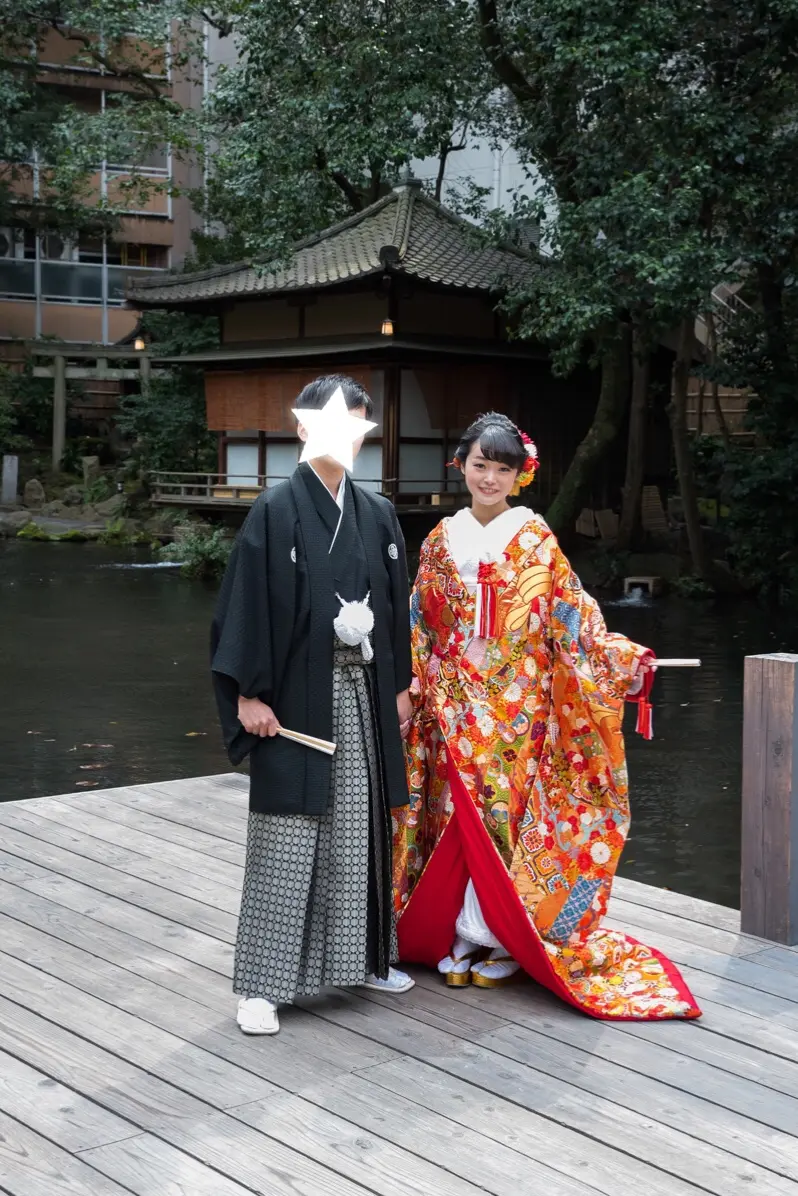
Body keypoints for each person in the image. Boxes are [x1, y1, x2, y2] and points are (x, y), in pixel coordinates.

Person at [394, 412, 700, 1020]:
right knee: (450, 808)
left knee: (504, 815)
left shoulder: (535, 538)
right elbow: (420, 622)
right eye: (479, 464)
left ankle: (502, 937)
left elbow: (573, 619)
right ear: (462, 464)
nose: (488, 477)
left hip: (517, 704)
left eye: (501, 468)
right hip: (450, 696)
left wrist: (623, 661)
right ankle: (459, 928)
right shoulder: (438, 539)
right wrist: (407, 685)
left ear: (518, 475)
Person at [212, 374, 415, 1037]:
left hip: (361, 690)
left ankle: (367, 960)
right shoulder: (274, 511)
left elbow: (393, 610)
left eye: (355, 423)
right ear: (303, 430)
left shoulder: (378, 513)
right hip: (296, 696)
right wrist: (247, 692)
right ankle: (262, 987)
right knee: (289, 830)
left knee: (360, 828)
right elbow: (244, 606)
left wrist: (400, 681)